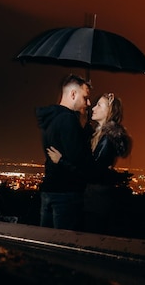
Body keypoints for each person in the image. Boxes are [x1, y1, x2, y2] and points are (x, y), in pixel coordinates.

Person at [47, 92, 132, 233]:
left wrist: (61, 161)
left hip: (97, 202)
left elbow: (91, 172)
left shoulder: (107, 139)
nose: (93, 108)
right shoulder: (99, 136)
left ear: (109, 111)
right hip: (94, 199)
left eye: (99, 105)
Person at [36, 73, 92, 230]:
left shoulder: (50, 118)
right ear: (73, 94)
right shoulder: (68, 120)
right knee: (64, 244)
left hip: (49, 190)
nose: (88, 103)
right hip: (66, 193)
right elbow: (80, 164)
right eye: (85, 97)